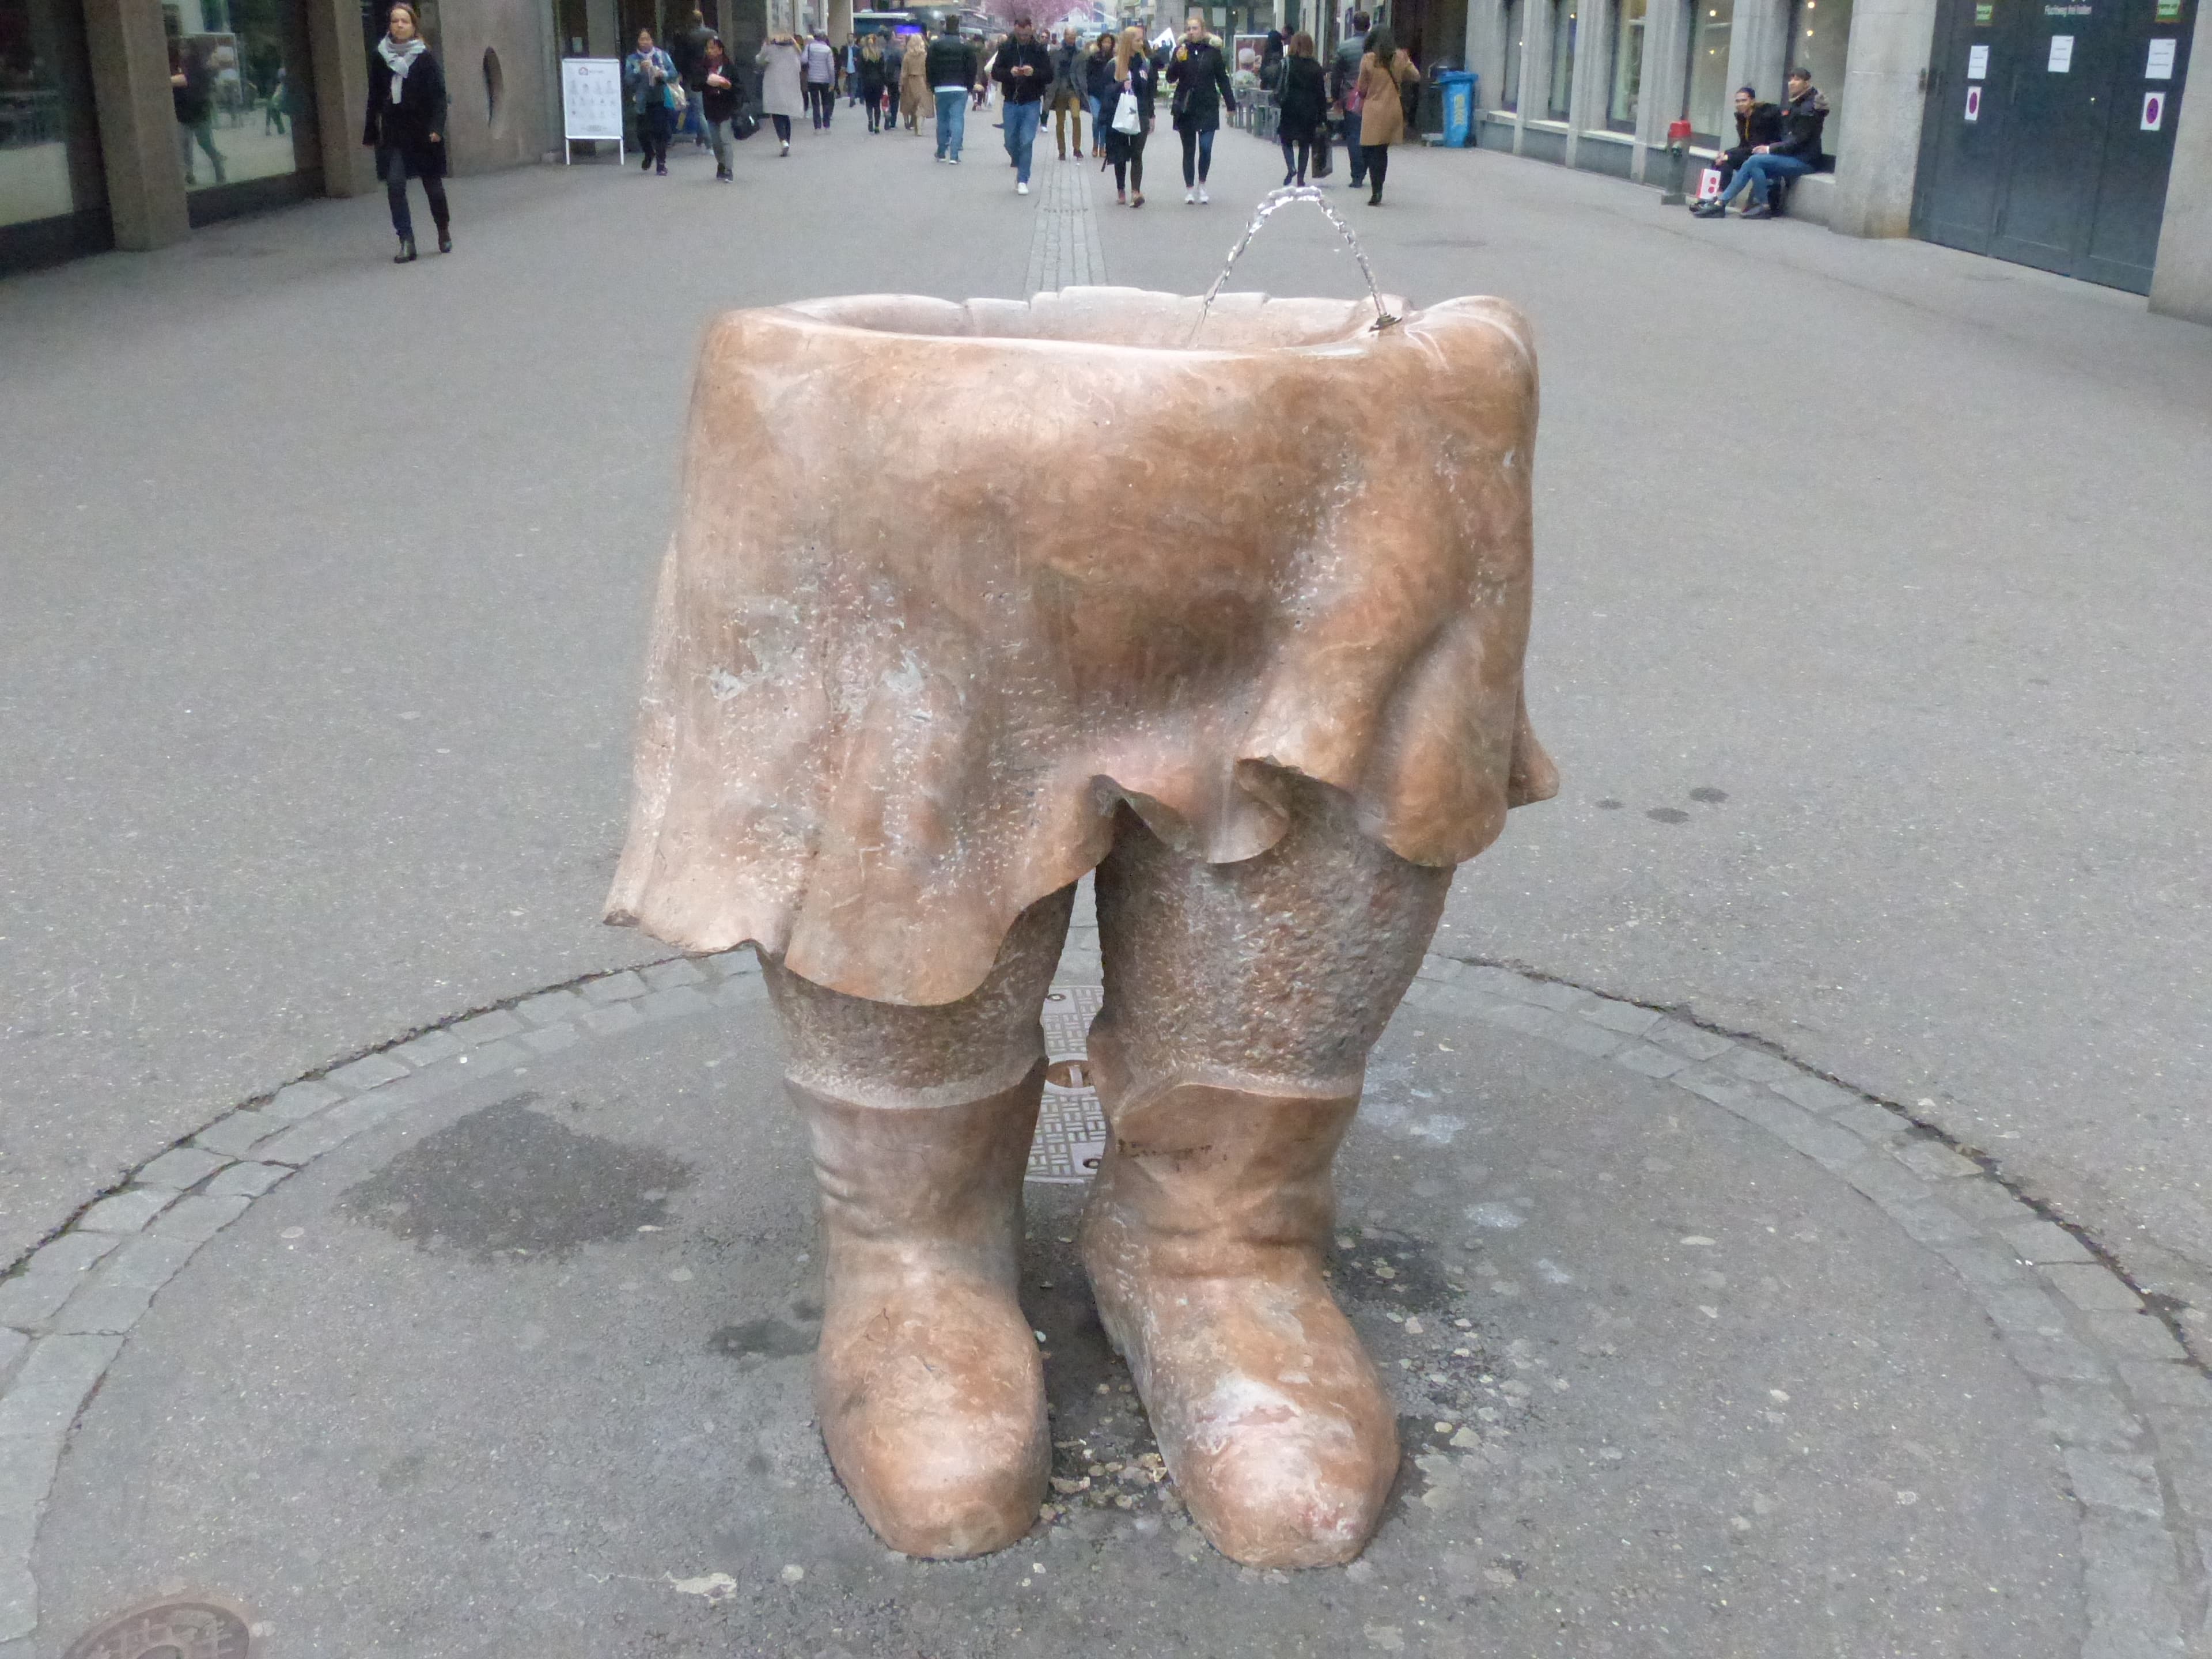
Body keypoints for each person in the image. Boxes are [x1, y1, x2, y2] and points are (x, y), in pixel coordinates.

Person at [361, 2, 448, 260]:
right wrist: (371, 130)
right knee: (395, 184)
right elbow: (375, 95)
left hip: (424, 131)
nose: (399, 25)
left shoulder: (424, 57)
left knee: (433, 188)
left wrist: (437, 128)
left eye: (404, 21)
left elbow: (439, 96)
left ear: (413, 26)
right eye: (395, 21)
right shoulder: (381, 56)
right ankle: (406, 241)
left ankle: (443, 228)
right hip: (395, 130)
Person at [1694, 66, 1826, 217]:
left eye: (1797, 79)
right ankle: (1760, 206)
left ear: (1806, 83)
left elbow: (1798, 140)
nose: (1791, 83)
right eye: (1791, 79)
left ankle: (1721, 203)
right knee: (1755, 163)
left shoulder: (1808, 107)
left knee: (1755, 161)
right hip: (1792, 156)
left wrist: (1770, 149)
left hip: (1804, 161)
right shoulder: (1797, 103)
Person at [1165, 14, 1233, 204]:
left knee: (1206, 147)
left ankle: (1202, 185)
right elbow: (1171, 78)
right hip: (1186, 106)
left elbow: (1222, 79)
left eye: (1195, 28)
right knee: (1189, 150)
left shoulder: (1213, 52)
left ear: (1203, 30)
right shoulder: (1181, 50)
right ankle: (1189, 189)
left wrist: (1230, 104)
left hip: (1208, 104)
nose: (1191, 32)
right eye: (1188, 29)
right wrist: (1178, 61)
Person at [1353, 22, 1417, 205]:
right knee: (1382, 151)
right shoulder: (1400, 57)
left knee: (1369, 149)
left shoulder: (1368, 59)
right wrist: (1402, 70)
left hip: (1373, 109)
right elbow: (1416, 76)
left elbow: (1362, 87)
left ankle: (1375, 189)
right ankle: (1378, 189)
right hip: (1392, 109)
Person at [1695, 85, 1781, 205]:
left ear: (1752, 101)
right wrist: (1726, 154)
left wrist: (1730, 155)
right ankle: (1714, 197)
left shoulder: (1761, 119)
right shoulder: (1743, 119)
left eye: (1744, 100)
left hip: (1765, 154)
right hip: (1751, 153)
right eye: (1738, 101)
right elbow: (1744, 145)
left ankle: (1719, 200)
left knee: (1727, 159)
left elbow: (1756, 146)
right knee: (1720, 161)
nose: (1740, 104)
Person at [993, 14, 1050, 193]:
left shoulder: (1039, 50)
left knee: (1027, 140)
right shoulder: (1006, 48)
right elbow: (995, 72)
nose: (1023, 38)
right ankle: (1017, 160)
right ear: (1015, 30)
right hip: (1011, 101)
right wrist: (1009, 73)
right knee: (1010, 140)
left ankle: (1023, 179)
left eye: (1026, 34)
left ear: (1031, 30)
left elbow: (1049, 75)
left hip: (1032, 101)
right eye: (1020, 34)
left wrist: (1034, 73)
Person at [1102, 24, 1155, 206]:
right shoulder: (1114, 65)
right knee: (1121, 154)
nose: (1141, 43)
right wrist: (1120, 86)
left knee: (1137, 154)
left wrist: (1151, 115)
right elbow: (1106, 91)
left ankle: (1136, 192)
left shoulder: (1145, 64)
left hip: (1141, 113)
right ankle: (1121, 190)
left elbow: (1149, 92)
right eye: (1138, 40)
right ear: (1128, 42)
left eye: (1142, 40)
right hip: (1121, 114)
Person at [170, 37, 226, 185]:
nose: (182, 51)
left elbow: (188, 82)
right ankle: (189, 174)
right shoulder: (178, 65)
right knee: (185, 145)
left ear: (192, 50)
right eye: (181, 48)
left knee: (205, 143)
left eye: (185, 48)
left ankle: (218, 167)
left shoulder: (199, 68)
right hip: (183, 112)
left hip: (199, 112)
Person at [926, 17, 979, 162]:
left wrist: (932, 85)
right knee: (957, 119)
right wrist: (969, 86)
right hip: (960, 87)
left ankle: (941, 152)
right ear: (958, 27)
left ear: (945, 26)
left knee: (942, 120)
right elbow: (972, 68)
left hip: (941, 87)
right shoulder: (966, 47)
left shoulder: (936, 46)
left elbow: (929, 66)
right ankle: (954, 155)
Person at [1274, 31, 1325, 185]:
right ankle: (1301, 179)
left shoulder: (1288, 63)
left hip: (1290, 106)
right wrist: (1322, 115)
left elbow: (1278, 82)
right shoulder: (1315, 66)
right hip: (1309, 109)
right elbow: (1321, 93)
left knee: (1286, 139)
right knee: (1305, 145)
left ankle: (1291, 167)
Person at [625, 28, 678, 174]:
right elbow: (628, 80)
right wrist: (639, 70)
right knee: (642, 133)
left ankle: (661, 164)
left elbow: (674, 73)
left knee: (660, 132)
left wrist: (663, 73)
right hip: (642, 100)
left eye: (647, 39)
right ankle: (649, 153)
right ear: (638, 41)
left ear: (652, 41)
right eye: (642, 39)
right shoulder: (632, 59)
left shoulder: (662, 55)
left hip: (660, 98)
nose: (645, 42)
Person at [1330, 8, 1369, 190]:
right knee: (1371, 133)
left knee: (1354, 134)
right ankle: (1367, 167)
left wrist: (1335, 97)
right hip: (1373, 95)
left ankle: (1357, 175)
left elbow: (1336, 75)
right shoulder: (1375, 48)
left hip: (1351, 95)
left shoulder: (1344, 47)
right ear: (1369, 26)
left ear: (1354, 26)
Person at [700, 35, 747, 180]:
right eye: (708, 48)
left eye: (713, 48)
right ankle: (721, 163)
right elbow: (696, 85)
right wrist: (706, 82)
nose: (710, 51)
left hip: (726, 108)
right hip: (711, 108)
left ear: (720, 50)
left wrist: (728, 86)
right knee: (716, 142)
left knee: (725, 139)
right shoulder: (704, 67)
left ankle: (729, 169)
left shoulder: (728, 67)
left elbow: (739, 87)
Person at [671, 9, 713, 149]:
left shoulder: (687, 37)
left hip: (693, 77)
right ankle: (702, 137)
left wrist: (680, 73)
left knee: (699, 110)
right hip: (710, 75)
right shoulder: (712, 34)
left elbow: (681, 58)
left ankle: (710, 143)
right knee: (706, 108)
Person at [756, 31, 804, 154]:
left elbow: (759, 60)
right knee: (785, 113)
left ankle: (783, 141)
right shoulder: (794, 48)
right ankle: (787, 141)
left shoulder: (769, 47)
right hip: (789, 84)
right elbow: (798, 67)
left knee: (776, 113)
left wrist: (766, 59)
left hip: (774, 84)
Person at [1048, 25, 1085, 160]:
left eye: (1074, 37)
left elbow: (1083, 71)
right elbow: (1050, 69)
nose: (1072, 40)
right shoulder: (1055, 52)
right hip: (1059, 91)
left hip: (1073, 89)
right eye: (1070, 37)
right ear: (1065, 36)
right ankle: (1062, 150)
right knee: (1060, 122)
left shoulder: (1080, 53)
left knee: (1076, 117)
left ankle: (1077, 148)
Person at [1086, 30, 1117, 157]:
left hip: (1108, 94)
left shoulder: (1114, 60)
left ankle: (1103, 147)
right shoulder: (1093, 58)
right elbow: (1088, 74)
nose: (1107, 45)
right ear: (1100, 43)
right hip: (1094, 93)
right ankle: (1095, 144)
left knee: (1104, 121)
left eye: (1109, 42)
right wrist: (1090, 88)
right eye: (1104, 42)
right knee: (1096, 119)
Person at [802, 30, 836, 128]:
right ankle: (827, 125)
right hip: (825, 79)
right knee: (826, 102)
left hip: (812, 78)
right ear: (824, 38)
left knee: (815, 104)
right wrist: (832, 82)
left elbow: (803, 60)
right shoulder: (827, 49)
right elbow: (831, 68)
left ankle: (817, 126)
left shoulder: (809, 47)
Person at [900, 29, 930, 132]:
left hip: (910, 81)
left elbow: (904, 72)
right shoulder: (925, 56)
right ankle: (919, 127)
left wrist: (902, 83)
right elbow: (928, 70)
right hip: (922, 81)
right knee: (921, 105)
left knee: (910, 104)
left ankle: (911, 123)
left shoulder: (907, 56)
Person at [858, 34, 889, 132]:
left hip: (867, 82)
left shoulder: (863, 54)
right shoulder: (880, 54)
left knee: (869, 104)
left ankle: (870, 119)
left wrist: (861, 82)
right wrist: (885, 83)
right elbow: (882, 70)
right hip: (878, 82)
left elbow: (861, 70)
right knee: (877, 104)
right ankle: (877, 127)